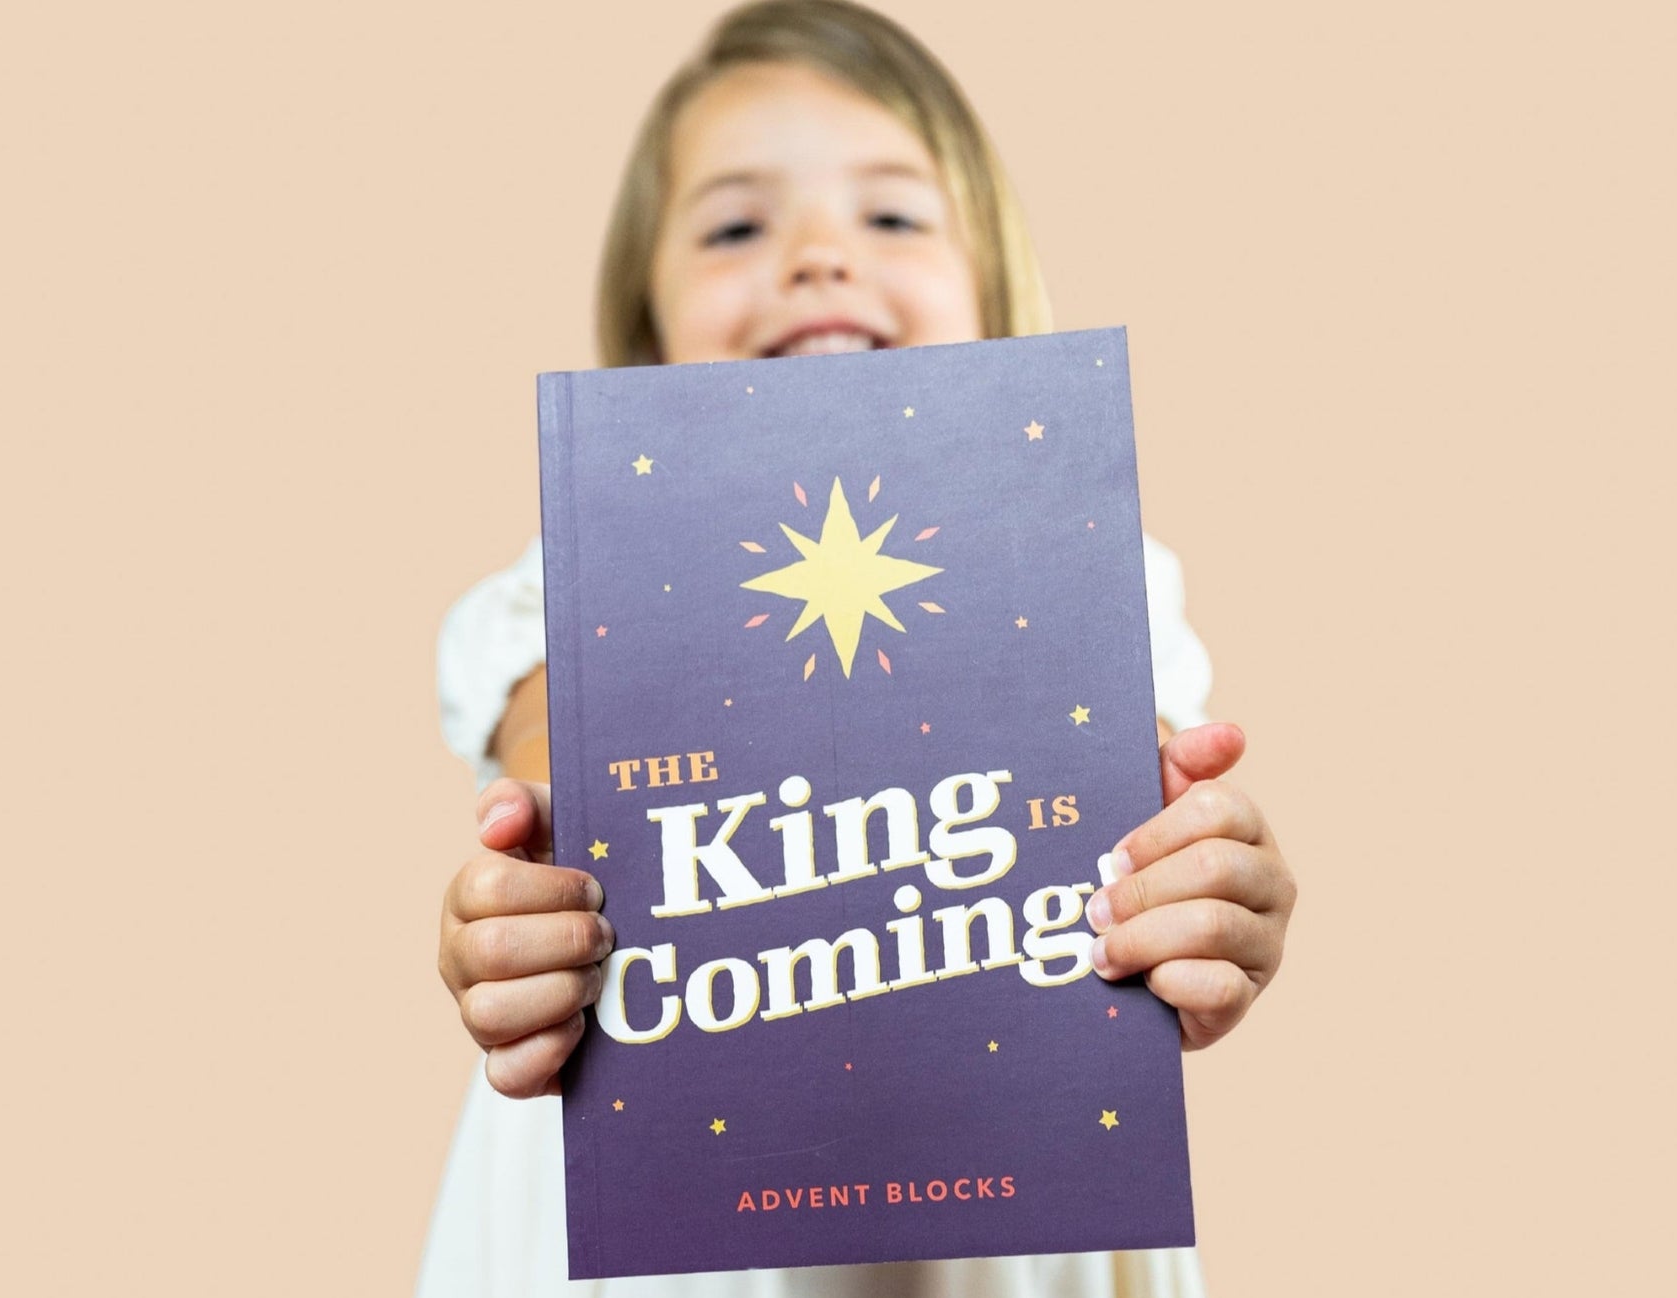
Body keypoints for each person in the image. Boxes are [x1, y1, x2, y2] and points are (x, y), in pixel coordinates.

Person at [423, 3, 1296, 1294]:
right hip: (647, 1224)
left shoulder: (1088, 577)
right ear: (646, 326)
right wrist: (521, 906)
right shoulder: (563, 595)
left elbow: (1141, 802)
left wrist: (1202, 897)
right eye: (734, 225)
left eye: (890, 216)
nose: (818, 257)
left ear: (992, 293)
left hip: (1005, 1215)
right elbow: (557, 768)